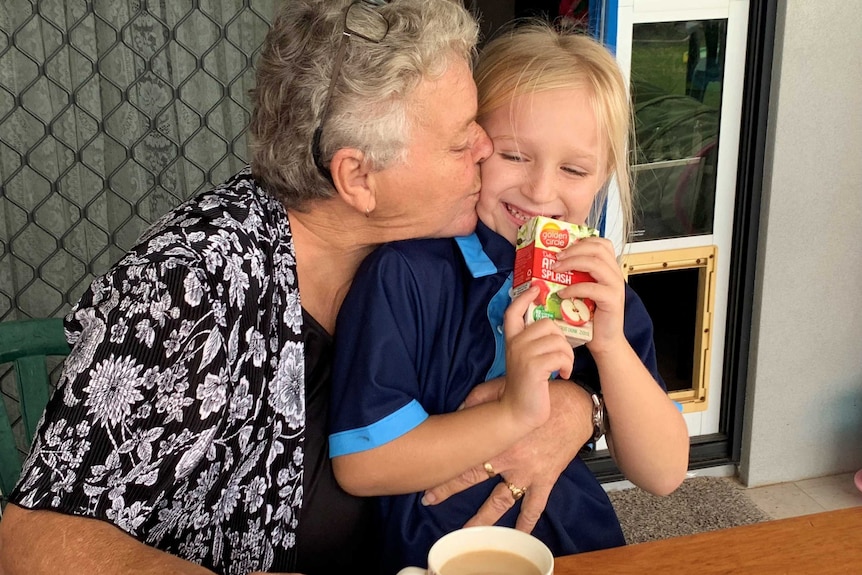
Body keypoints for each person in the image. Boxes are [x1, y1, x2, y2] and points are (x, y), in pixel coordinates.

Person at [0, 2, 599, 574]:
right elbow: (34, 542)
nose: (487, 147)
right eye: (460, 136)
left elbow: (550, 356)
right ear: (358, 178)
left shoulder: (435, 241)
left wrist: (579, 408)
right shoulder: (192, 284)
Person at [328, 22, 691, 572]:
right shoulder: (406, 275)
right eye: (515, 156)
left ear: (604, 178)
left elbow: (663, 472)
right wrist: (518, 412)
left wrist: (611, 346)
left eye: (573, 169)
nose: (542, 192)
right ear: (473, 146)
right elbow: (362, 463)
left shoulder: (597, 296)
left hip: (569, 543)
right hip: (429, 553)